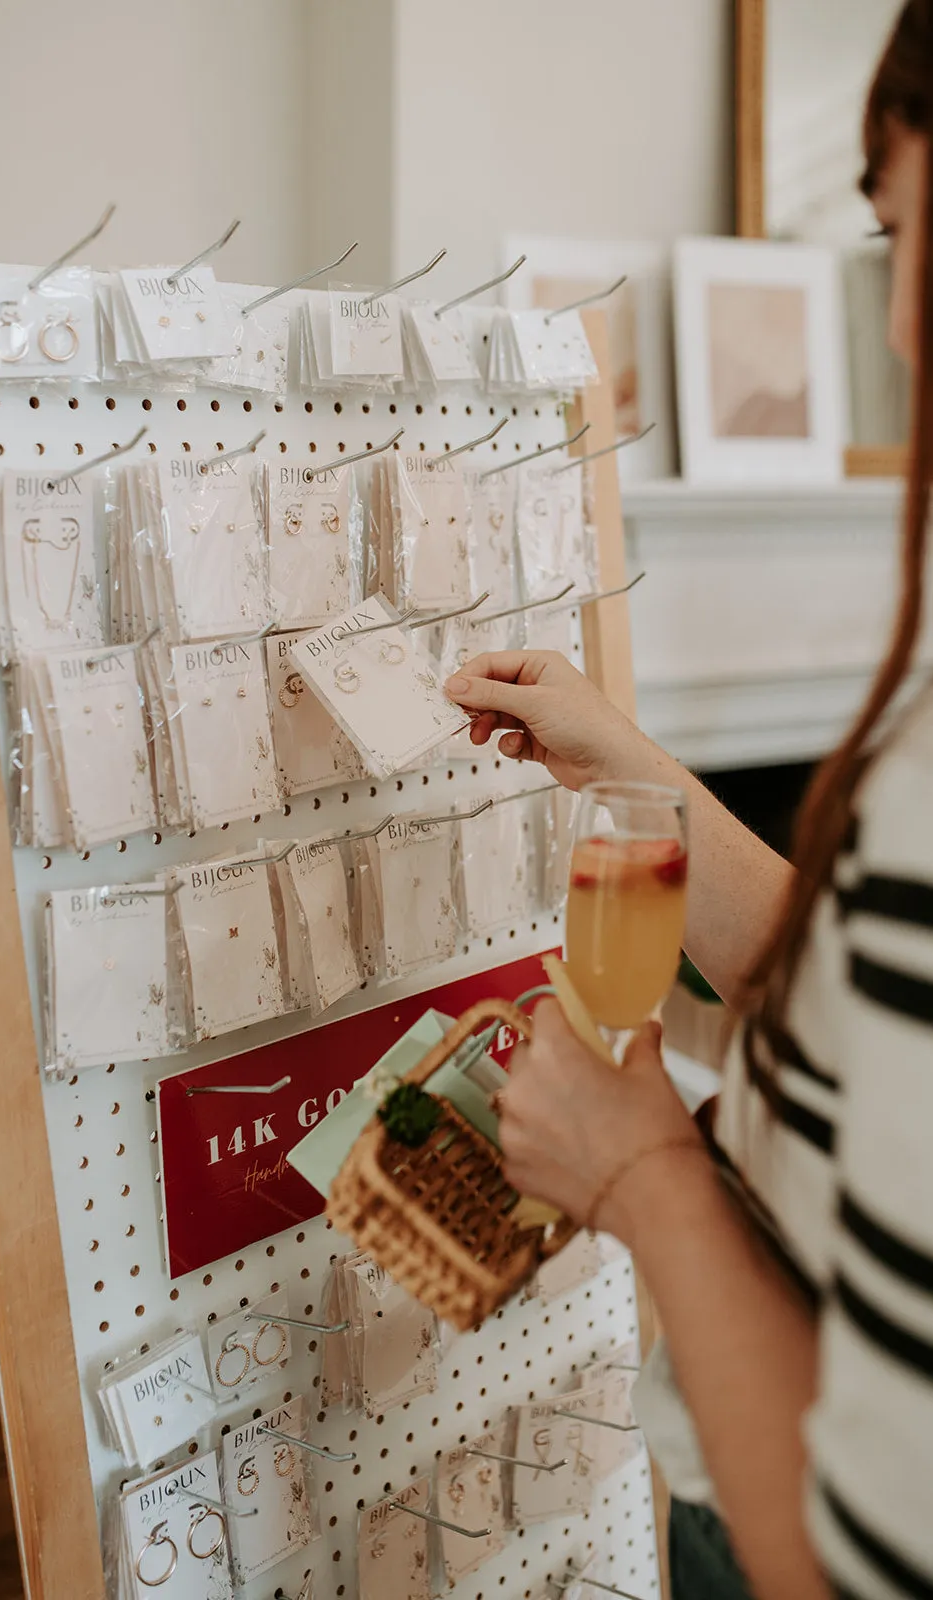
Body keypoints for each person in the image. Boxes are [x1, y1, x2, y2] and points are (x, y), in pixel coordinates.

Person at [444, 6, 933, 1598]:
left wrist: (647, 1170)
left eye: (903, 232)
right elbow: (877, 999)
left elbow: (854, 1562)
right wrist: (640, 774)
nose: (903, 324)